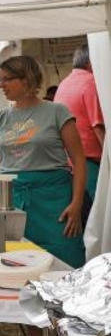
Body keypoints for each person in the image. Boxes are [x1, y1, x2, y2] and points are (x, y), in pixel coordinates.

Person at [0, 56, 86, 268]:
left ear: (27, 79)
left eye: (7, 79)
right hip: (11, 202)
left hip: (55, 202)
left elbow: (79, 160)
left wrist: (76, 204)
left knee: (64, 259)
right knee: (17, 263)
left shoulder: (57, 112)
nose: (1, 85)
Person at [53, 44, 104, 225]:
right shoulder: (91, 83)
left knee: (86, 216)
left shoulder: (64, 83)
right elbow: (98, 126)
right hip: (91, 163)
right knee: (101, 215)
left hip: (69, 161)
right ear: (92, 62)